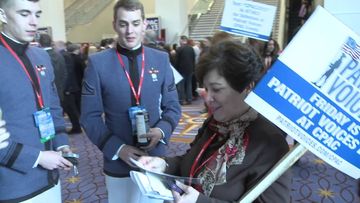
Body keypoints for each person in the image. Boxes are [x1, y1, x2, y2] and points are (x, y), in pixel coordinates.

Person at [138, 40, 291, 202]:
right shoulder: (216, 122)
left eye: (216, 89)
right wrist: (164, 164)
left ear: (247, 87)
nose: (207, 98)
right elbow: (191, 161)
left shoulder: (269, 143)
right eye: (206, 88)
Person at [80, 0, 181, 202]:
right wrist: (119, 149)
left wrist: (161, 130)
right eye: (123, 23)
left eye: (135, 23)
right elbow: (89, 117)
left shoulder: (161, 59)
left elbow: (173, 107)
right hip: (118, 160)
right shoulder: (97, 63)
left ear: (144, 24)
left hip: (154, 158)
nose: (129, 31)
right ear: (114, 25)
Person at [0, 0, 73, 202]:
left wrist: (61, 144)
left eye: (37, 14)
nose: (34, 22)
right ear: (3, 15)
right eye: (24, 14)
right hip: (13, 185)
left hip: (51, 176)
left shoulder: (41, 55)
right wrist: (37, 158)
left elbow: (53, 106)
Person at [38, 33, 68, 103]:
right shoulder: (59, 55)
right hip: (59, 92)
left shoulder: (38, 57)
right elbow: (64, 74)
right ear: (51, 42)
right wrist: (61, 89)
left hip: (46, 95)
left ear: (39, 43)